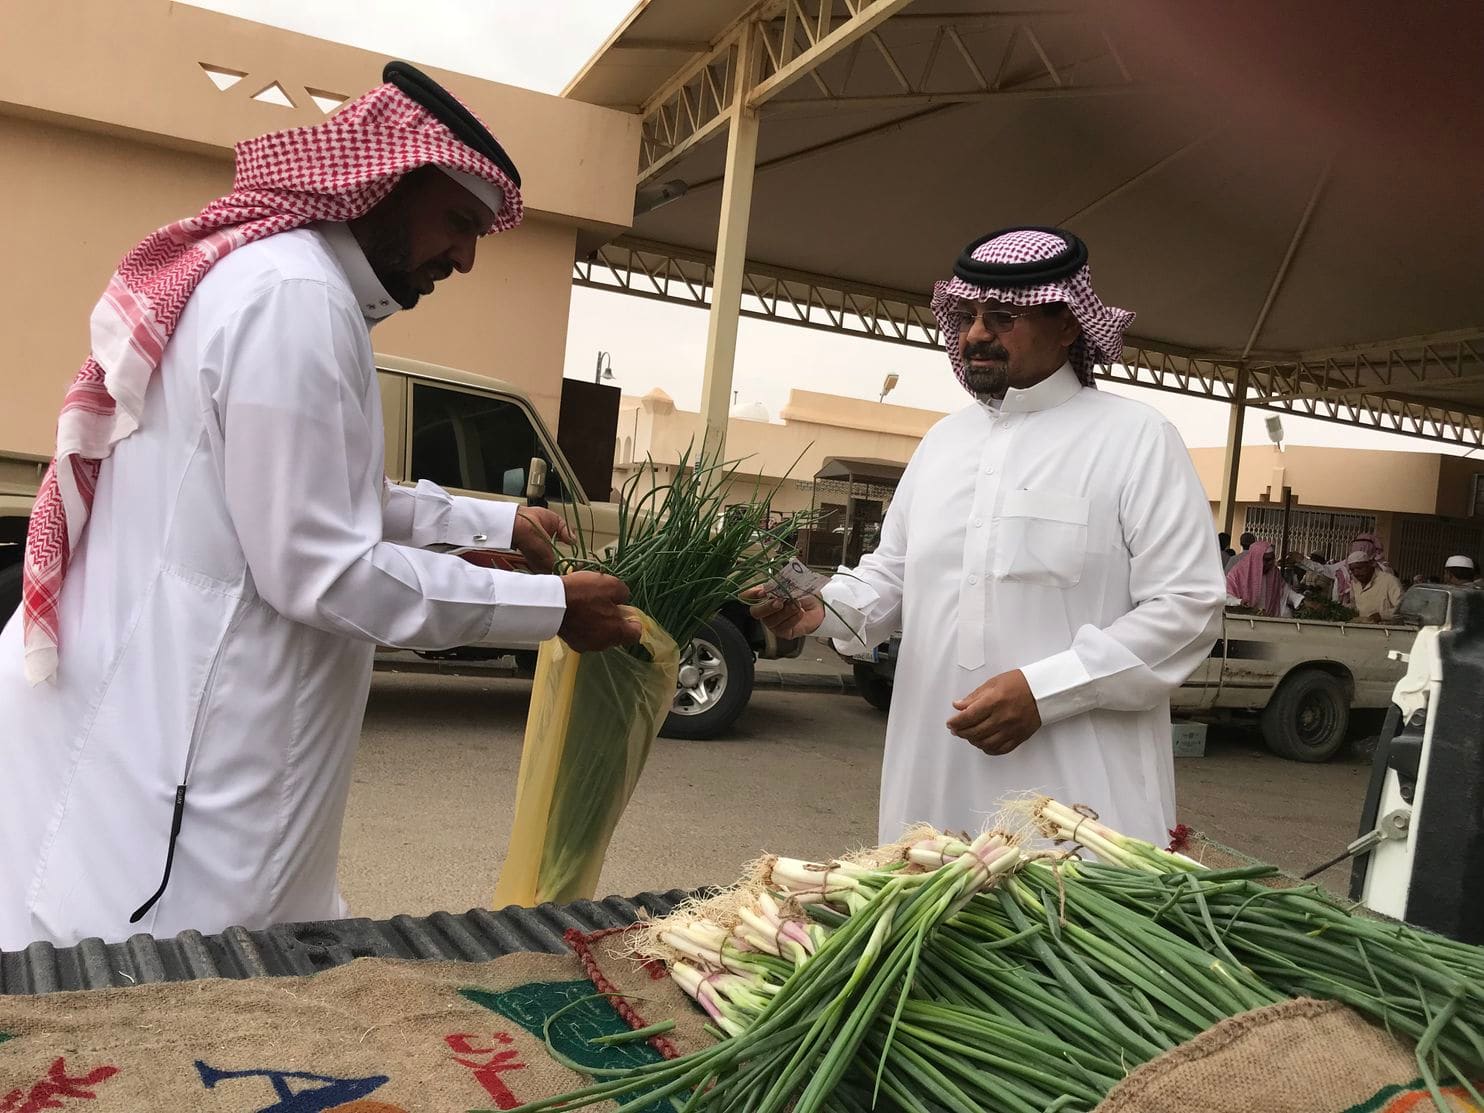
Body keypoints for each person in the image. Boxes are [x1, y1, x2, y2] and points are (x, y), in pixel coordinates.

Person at [0, 62, 641, 950]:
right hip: (195, 761)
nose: (464, 256)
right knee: (180, 1005)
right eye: (458, 221)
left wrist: (497, 523)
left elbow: (327, 494)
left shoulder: (288, 283)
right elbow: (321, 567)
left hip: (170, 717)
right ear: (384, 184)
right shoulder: (296, 301)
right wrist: (554, 607)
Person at [746, 226, 1224, 848]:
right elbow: (891, 575)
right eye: (968, 315)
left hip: (1078, 794)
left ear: (1070, 325)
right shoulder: (944, 442)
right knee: (926, 922)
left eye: (1003, 317)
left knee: (1072, 934)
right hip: (933, 776)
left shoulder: (1136, 438)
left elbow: (1188, 607)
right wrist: (821, 609)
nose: (975, 334)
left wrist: (1045, 691)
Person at [1224, 540, 1303, 617]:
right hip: (1245, 619)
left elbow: (1284, 590)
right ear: (1257, 559)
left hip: (1268, 618)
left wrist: (1299, 600)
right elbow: (1226, 595)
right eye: (1267, 560)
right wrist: (1239, 602)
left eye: (1272, 559)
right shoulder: (1238, 572)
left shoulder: (1274, 572)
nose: (1271, 562)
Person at [1348, 549, 1404, 623]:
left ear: (1370, 564)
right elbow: (1353, 608)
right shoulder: (1354, 584)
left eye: (1359, 568)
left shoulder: (1389, 580)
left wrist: (1382, 616)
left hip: (1385, 631)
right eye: (1352, 570)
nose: (1356, 573)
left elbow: (1403, 609)